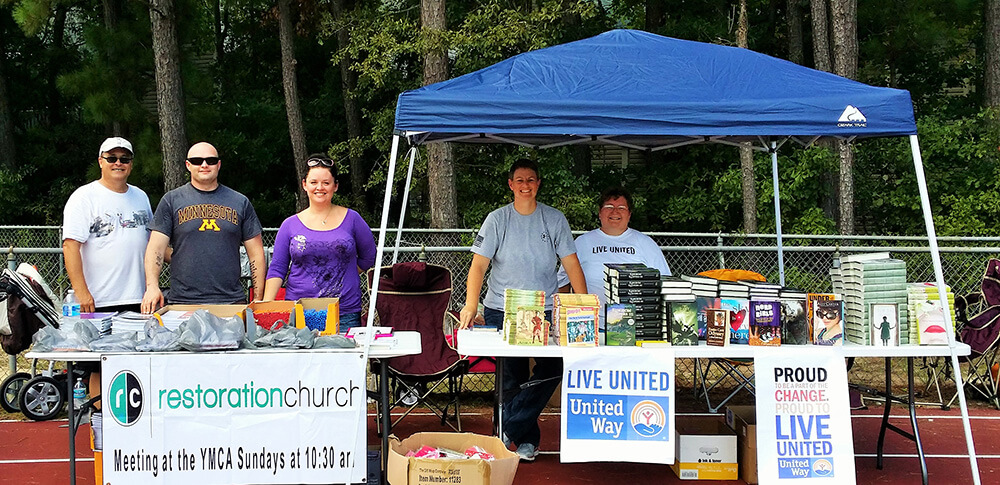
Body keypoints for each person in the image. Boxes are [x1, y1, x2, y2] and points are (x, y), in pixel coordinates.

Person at [458, 158, 587, 462]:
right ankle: (526, 441)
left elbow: (571, 263)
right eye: (519, 180)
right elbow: (478, 265)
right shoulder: (496, 219)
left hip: (544, 311)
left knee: (553, 369)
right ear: (510, 185)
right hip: (502, 309)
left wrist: (582, 305)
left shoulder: (554, 219)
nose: (525, 185)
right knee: (510, 377)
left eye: (531, 180)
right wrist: (471, 303)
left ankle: (508, 429)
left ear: (538, 183)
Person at [62, 136, 151, 482]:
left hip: (138, 300)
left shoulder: (141, 196)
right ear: (100, 160)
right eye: (111, 157)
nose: (118, 163)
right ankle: (104, 443)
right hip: (98, 303)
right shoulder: (84, 197)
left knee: (134, 368)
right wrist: (83, 292)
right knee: (98, 370)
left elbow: (154, 244)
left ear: (131, 162)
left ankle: (132, 442)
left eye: (124, 157)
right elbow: (71, 247)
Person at [141, 142, 265, 312]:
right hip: (182, 302)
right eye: (198, 160)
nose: (204, 165)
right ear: (188, 165)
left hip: (230, 302)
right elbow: (155, 248)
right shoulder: (171, 201)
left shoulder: (240, 202)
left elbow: (256, 254)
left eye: (211, 160)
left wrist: (258, 299)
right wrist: (152, 287)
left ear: (219, 165)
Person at [262, 153, 377, 332]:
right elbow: (277, 268)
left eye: (326, 182)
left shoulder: (353, 219)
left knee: (343, 359)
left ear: (335, 186)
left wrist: (343, 273)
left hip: (343, 311)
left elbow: (369, 257)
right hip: (298, 311)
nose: (319, 188)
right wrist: (266, 307)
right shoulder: (289, 225)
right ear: (304, 185)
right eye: (314, 182)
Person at [557, 186, 670, 330]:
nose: (615, 211)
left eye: (621, 208)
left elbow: (665, 283)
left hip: (635, 327)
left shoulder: (646, 243)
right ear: (599, 212)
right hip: (592, 325)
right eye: (609, 206)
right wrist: (568, 317)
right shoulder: (582, 242)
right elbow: (562, 283)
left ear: (629, 214)